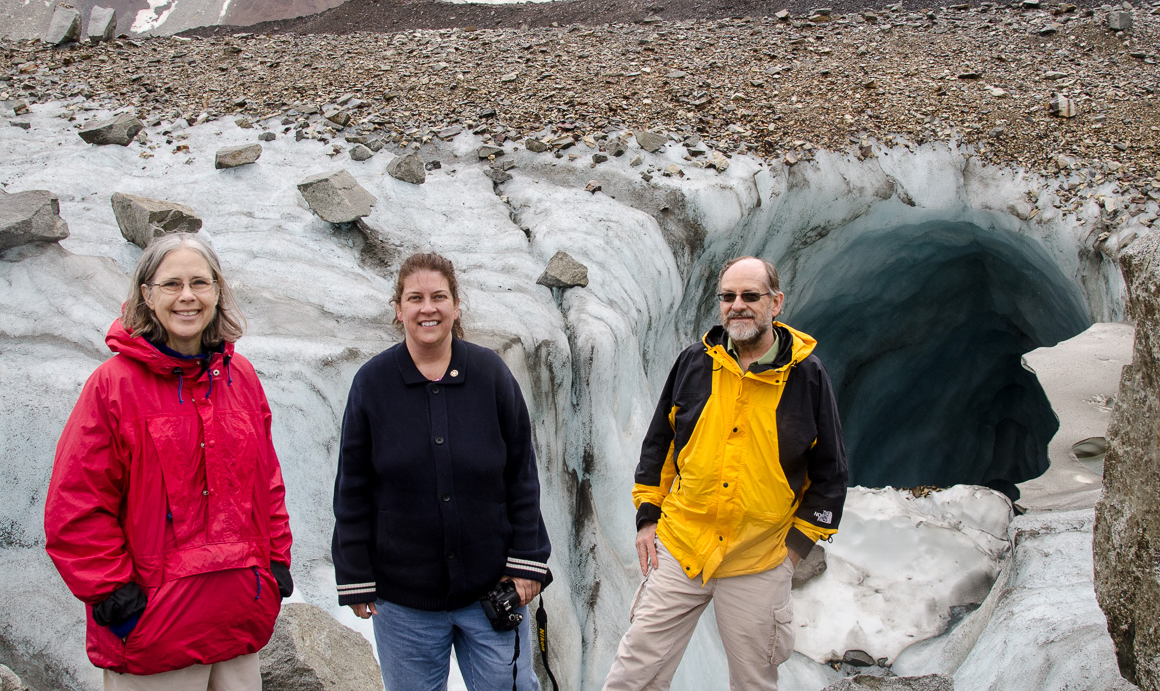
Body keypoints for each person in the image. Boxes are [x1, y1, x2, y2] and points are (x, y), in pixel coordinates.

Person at [44, 232, 293, 691]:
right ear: (146, 294)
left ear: (217, 291)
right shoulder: (113, 386)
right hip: (155, 634)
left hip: (238, 618)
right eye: (171, 284)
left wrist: (275, 561)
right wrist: (113, 593)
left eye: (200, 283)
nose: (187, 297)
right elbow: (76, 505)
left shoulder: (241, 377)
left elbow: (267, 481)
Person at [603, 256, 848, 691]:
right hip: (682, 549)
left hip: (759, 559)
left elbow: (829, 474)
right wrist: (647, 517)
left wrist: (791, 554)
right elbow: (660, 445)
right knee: (633, 674)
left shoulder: (806, 376)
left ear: (776, 303)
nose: (738, 305)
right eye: (728, 296)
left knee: (753, 683)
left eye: (751, 296)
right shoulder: (695, 362)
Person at [332, 251, 552, 691]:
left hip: (491, 590)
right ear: (398, 310)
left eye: (438, 297)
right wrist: (355, 574)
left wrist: (528, 563)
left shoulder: (490, 374)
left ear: (456, 306)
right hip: (404, 602)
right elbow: (353, 484)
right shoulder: (373, 383)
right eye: (415, 298)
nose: (427, 308)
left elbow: (521, 475)